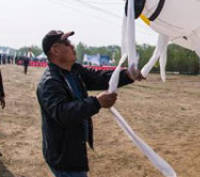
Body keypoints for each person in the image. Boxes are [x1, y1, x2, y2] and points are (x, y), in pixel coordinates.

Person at [37, 30, 143, 177]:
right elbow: (62, 113)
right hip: (63, 155)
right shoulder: (50, 82)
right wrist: (97, 102)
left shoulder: (74, 71)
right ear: (55, 50)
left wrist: (127, 75)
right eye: (67, 43)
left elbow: (99, 77)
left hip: (73, 147)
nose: (72, 46)